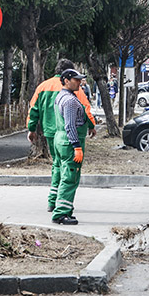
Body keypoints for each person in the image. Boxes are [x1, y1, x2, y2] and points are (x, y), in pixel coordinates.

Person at [27, 59, 96, 213]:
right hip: (68, 134)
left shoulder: (43, 86)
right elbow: (85, 109)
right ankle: (61, 206)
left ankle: (52, 200)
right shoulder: (74, 89)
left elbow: (34, 109)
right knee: (67, 168)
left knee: (57, 165)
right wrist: (91, 126)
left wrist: (31, 129)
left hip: (51, 132)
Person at [51, 68, 90, 225]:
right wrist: (77, 146)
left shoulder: (60, 96)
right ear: (66, 80)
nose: (79, 82)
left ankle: (58, 206)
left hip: (59, 140)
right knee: (70, 178)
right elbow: (70, 126)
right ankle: (61, 214)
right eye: (76, 79)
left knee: (61, 175)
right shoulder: (70, 101)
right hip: (69, 142)